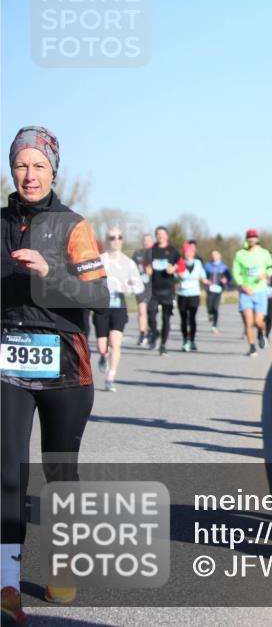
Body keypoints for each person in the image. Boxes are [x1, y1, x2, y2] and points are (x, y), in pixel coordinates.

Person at [2, 126, 110, 621]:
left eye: (38, 166)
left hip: (66, 366)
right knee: (7, 472)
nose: (29, 175)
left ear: (53, 170)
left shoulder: (73, 225)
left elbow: (97, 295)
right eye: (21, 165)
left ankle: (63, 563)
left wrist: (51, 274)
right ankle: (7, 581)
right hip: (8, 363)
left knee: (60, 472)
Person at [93, 226, 144, 391]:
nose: (116, 240)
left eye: (119, 237)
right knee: (102, 346)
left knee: (116, 343)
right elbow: (89, 279)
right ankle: (103, 355)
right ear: (107, 240)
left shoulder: (128, 263)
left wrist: (126, 288)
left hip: (119, 307)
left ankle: (111, 377)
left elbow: (139, 286)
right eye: (112, 238)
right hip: (102, 307)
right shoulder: (100, 260)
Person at [232, 229, 272, 357]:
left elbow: (271, 268)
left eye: (253, 237)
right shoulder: (240, 254)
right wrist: (242, 285)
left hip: (260, 290)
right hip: (246, 292)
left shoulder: (264, 253)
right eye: (249, 237)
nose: (251, 239)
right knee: (248, 322)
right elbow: (235, 272)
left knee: (258, 322)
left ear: (257, 239)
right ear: (246, 239)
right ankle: (252, 347)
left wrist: (265, 274)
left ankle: (261, 332)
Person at [145, 225, 181, 356]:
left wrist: (174, 269)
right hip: (154, 289)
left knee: (166, 319)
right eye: (158, 233)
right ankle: (155, 332)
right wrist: (147, 269)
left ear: (166, 235)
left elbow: (181, 264)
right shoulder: (151, 251)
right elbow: (145, 264)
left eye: (162, 233)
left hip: (168, 290)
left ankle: (163, 345)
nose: (160, 235)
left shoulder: (172, 251)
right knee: (151, 314)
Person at [176, 241, 208, 352]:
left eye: (190, 252)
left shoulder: (198, 263)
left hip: (194, 294)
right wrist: (176, 275)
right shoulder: (180, 263)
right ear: (184, 253)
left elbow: (202, 274)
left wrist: (205, 280)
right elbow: (175, 276)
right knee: (184, 319)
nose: (188, 254)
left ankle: (192, 340)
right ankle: (185, 340)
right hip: (182, 294)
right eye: (186, 252)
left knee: (192, 318)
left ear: (194, 253)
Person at [132, 233, 154, 345]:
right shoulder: (137, 254)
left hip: (152, 287)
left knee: (151, 312)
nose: (146, 242)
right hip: (139, 287)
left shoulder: (156, 253)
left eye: (148, 240)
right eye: (145, 240)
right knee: (141, 311)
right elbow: (131, 269)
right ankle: (142, 334)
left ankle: (150, 332)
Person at [203, 250, 231, 333]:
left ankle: (214, 326)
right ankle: (210, 314)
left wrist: (225, 280)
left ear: (220, 256)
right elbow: (203, 276)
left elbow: (229, 277)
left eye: (216, 255)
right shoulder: (207, 266)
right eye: (213, 255)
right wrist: (205, 281)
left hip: (218, 289)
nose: (214, 257)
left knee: (215, 307)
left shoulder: (224, 267)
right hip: (210, 288)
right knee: (209, 305)